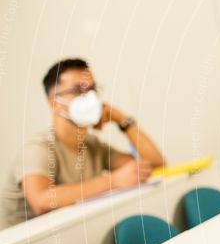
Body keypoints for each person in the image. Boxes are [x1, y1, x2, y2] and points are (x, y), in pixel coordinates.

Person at [1, 58, 165, 228]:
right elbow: (42, 201)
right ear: (54, 103)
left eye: (93, 89)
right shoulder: (38, 147)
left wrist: (123, 120)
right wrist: (112, 181)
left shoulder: (93, 145)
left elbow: (155, 164)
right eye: (79, 90)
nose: (91, 98)